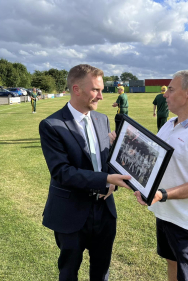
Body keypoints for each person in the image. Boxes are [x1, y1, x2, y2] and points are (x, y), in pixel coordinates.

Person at [39, 64, 131, 281]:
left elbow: (104, 161)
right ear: (76, 89)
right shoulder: (52, 125)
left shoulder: (101, 119)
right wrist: (106, 179)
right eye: (95, 90)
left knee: (101, 272)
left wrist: (113, 179)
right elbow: (62, 172)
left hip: (104, 211)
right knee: (69, 272)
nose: (101, 96)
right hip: (71, 212)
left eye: (101, 90)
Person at [133, 70, 188, 281]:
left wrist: (161, 194)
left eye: (171, 89)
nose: (165, 94)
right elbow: (152, 157)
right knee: (172, 263)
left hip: (187, 219)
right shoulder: (168, 124)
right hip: (166, 213)